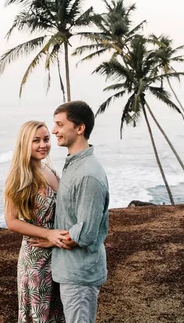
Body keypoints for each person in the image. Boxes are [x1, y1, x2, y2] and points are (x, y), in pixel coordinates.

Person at [38, 101, 110, 323]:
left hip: (79, 274)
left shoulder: (88, 174)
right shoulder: (74, 164)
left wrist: (52, 239)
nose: (53, 130)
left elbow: (86, 232)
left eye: (60, 124)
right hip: (70, 270)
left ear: (80, 128)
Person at [4, 120, 70, 323]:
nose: (43, 145)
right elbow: (11, 221)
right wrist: (47, 234)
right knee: (38, 315)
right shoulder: (20, 176)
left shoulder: (49, 170)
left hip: (57, 254)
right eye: (36, 140)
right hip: (35, 259)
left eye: (46, 139)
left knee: (57, 313)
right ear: (25, 143)